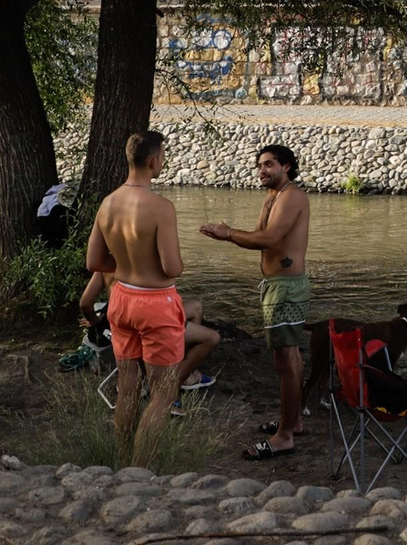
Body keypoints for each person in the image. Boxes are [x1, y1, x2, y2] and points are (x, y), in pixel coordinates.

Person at [200, 143, 310, 460]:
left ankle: (285, 436)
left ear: (287, 166)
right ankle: (295, 420)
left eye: (269, 164)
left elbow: (271, 240)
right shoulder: (274, 196)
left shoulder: (292, 196)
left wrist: (228, 233)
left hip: (286, 289)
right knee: (290, 358)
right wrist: (239, 228)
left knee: (285, 361)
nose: (262, 170)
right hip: (277, 286)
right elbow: (261, 237)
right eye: (259, 165)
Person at [85, 130, 185, 467]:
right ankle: (141, 471)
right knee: (163, 392)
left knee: (128, 387)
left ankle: (122, 461)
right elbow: (172, 266)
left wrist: (126, 264)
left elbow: (93, 262)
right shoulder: (161, 207)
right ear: (154, 161)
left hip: (121, 299)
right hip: (155, 303)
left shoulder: (108, 202)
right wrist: (172, 265)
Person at [76, 271, 219, 399]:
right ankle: (172, 383)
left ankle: (186, 371)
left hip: (117, 321)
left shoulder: (108, 261)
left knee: (196, 307)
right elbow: (172, 270)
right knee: (211, 338)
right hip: (147, 322)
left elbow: (85, 302)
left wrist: (96, 321)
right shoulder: (137, 261)